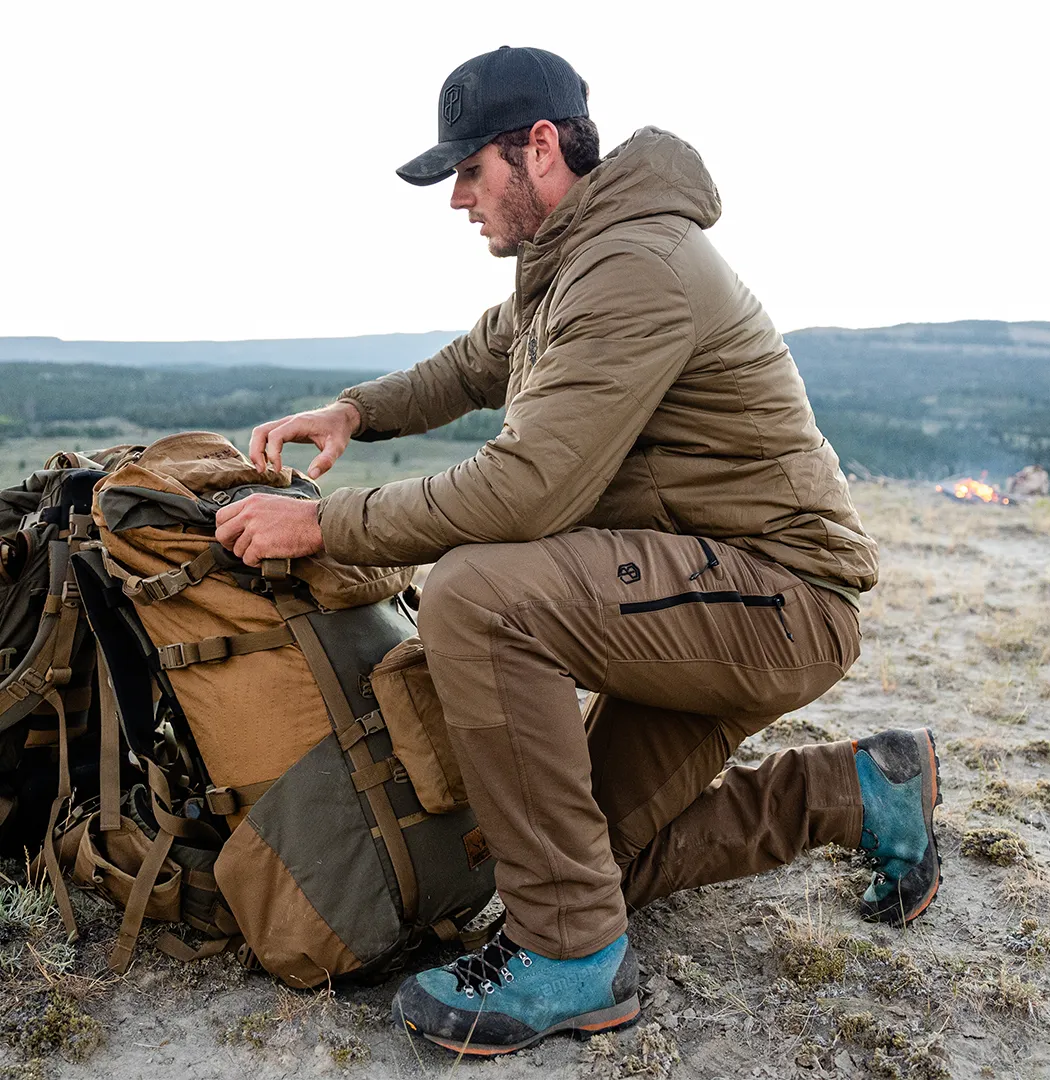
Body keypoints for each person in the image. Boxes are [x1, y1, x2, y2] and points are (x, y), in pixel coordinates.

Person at [215, 46, 942, 1057]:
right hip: (697, 593)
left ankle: (571, 969)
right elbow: (477, 361)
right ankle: (860, 791)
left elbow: (526, 490)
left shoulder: (634, 264)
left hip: (781, 600)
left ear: (539, 148)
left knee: (478, 590)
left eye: (470, 170)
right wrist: (353, 412)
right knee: (580, 861)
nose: (459, 198)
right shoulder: (569, 260)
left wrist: (326, 523)